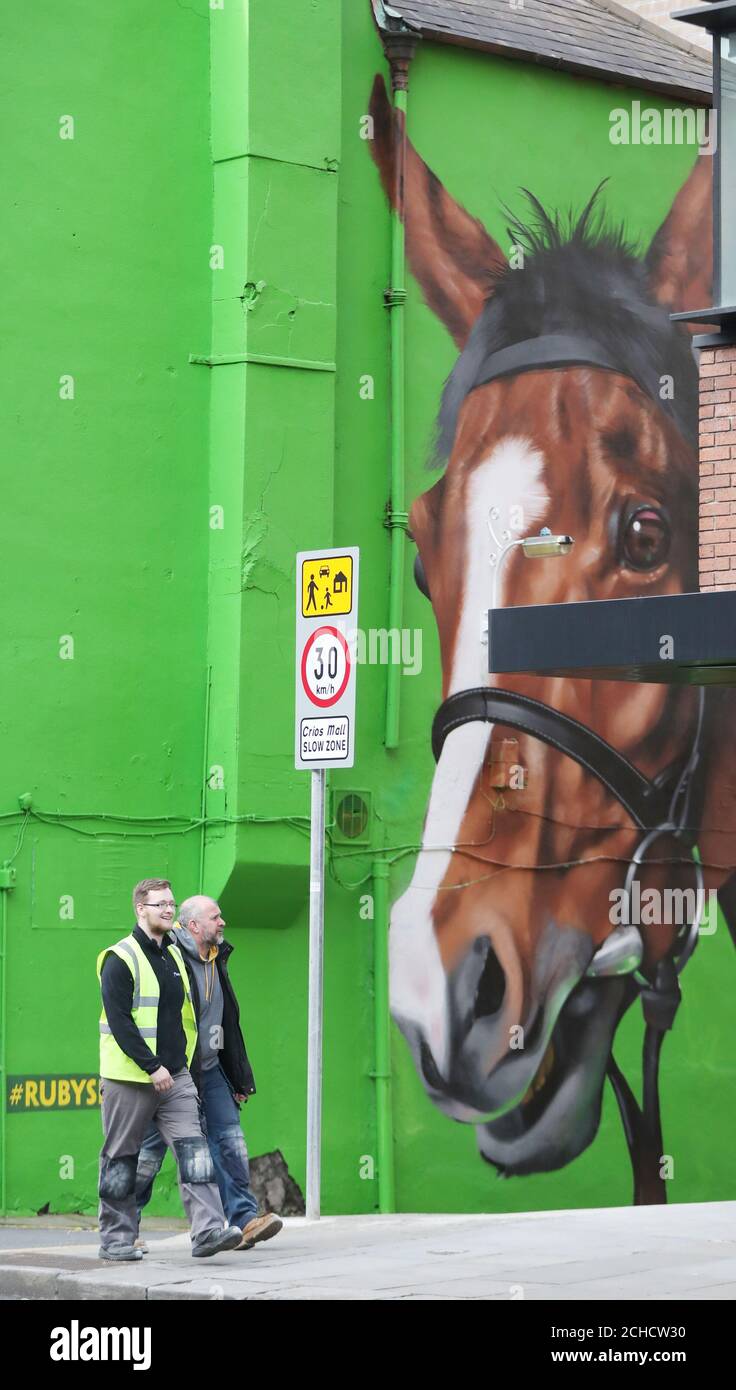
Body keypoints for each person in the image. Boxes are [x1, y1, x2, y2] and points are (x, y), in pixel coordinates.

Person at [97, 878, 243, 1261]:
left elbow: (186, 1018)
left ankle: (208, 1231)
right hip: (130, 1079)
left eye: (170, 904)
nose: (167, 909)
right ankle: (116, 1240)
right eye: (159, 904)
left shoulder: (174, 957)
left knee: (195, 1152)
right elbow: (120, 1021)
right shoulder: (119, 957)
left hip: (176, 1078)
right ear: (139, 909)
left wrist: (182, 1070)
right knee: (121, 1159)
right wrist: (152, 1066)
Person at [135, 895, 282, 1252]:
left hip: (212, 1071)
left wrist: (238, 1077)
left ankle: (244, 1221)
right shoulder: (167, 957)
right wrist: (154, 1066)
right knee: (148, 1156)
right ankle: (125, 1227)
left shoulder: (217, 958)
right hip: (172, 1072)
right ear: (194, 925)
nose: (223, 922)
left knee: (230, 1143)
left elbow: (226, 1022)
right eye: (216, 917)